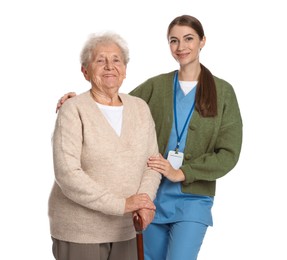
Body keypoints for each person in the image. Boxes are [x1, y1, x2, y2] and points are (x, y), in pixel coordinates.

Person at [56, 15, 243, 260]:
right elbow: (111, 103)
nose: (181, 47)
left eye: (189, 39)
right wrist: (77, 100)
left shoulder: (223, 91)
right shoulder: (157, 86)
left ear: (202, 41)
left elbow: (228, 154)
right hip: (151, 197)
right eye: (173, 41)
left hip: (193, 198)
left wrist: (183, 172)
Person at [48, 32, 162, 260]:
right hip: (80, 231)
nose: (110, 66)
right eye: (100, 60)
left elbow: (152, 163)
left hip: (127, 228)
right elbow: (68, 174)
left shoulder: (140, 108)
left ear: (125, 70)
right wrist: (121, 204)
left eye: (116, 60)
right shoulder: (74, 109)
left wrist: (143, 201)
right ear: (85, 71)